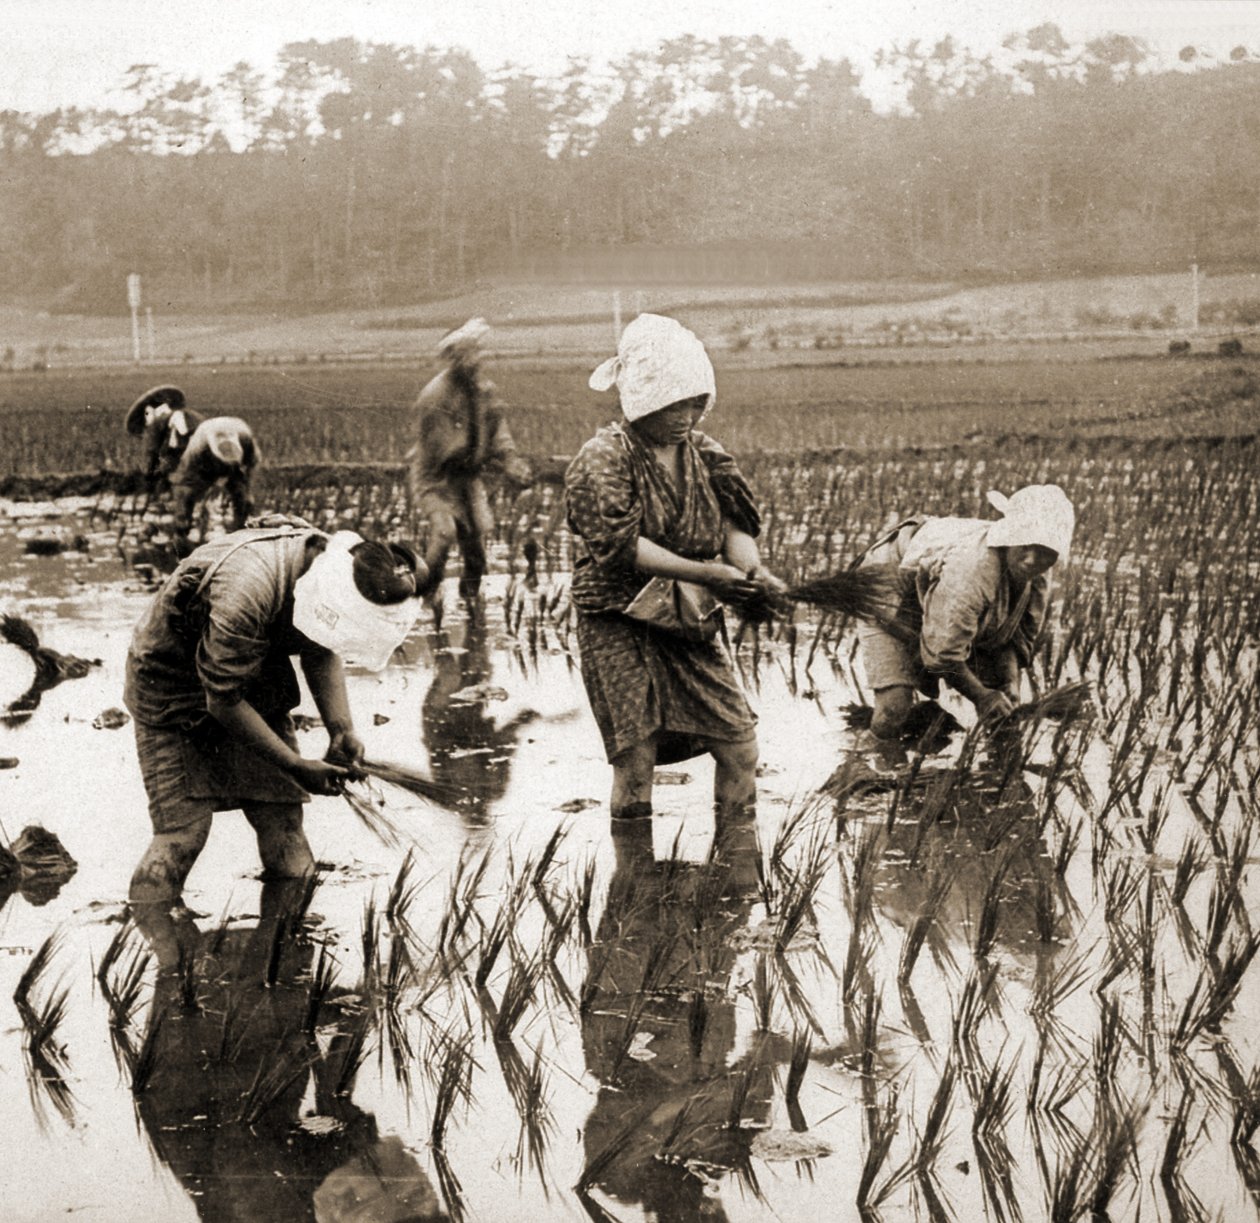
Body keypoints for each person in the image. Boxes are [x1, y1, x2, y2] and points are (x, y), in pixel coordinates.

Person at [124, 519, 425, 902]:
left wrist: (341, 728)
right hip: (171, 684)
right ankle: (157, 939)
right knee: (183, 835)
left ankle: (289, 946)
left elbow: (321, 644)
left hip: (253, 675)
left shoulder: (344, 565)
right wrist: (296, 766)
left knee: (283, 824)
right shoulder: (246, 588)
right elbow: (223, 701)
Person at [564, 313, 782, 823]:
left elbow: (736, 524)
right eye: (674, 403)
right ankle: (638, 883)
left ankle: (733, 870)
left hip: (685, 619)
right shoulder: (604, 458)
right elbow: (619, 546)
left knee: (739, 747)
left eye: (694, 402)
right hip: (616, 617)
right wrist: (705, 575)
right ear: (644, 400)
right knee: (636, 762)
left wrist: (750, 574)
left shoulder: (706, 454)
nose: (686, 415)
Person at [855, 484, 1075, 741]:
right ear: (1011, 536)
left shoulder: (1036, 575)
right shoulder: (972, 569)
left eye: (1045, 552)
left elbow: (1015, 637)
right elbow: (943, 654)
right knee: (894, 706)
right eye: (1025, 546)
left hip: (940, 595)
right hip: (890, 583)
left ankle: (998, 770)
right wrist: (982, 696)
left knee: (1002, 700)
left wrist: (1008, 686)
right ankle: (868, 763)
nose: (1031, 560)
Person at [407, 318, 532, 601]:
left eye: (477, 351)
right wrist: (497, 462)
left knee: (475, 549)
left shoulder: (484, 390)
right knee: (445, 532)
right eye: (467, 353)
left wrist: (510, 457)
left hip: (467, 479)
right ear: (453, 358)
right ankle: (421, 596)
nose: (475, 359)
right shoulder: (434, 397)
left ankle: (472, 606)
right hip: (437, 480)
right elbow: (449, 450)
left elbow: (498, 429)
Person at [125, 385, 259, 555]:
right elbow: (249, 464)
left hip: (198, 455)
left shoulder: (158, 422)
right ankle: (239, 530)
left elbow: (151, 454)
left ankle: (181, 535)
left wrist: (150, 474)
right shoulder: (195, 417)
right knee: (236, 488)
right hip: (216, 450)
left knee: (183, 491)